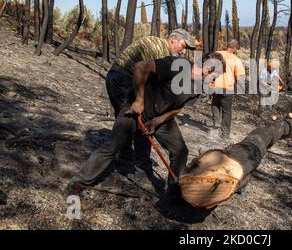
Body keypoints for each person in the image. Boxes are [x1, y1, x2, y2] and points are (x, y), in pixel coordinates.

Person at [66, 52, 226, 201]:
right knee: (112, 146)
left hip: (160, 117)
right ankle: (78, 183)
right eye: (215, 75)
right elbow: (140, 67)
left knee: (180, 151)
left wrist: (157, 122)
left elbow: (178, 108)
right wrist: (139, 100)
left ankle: (173, 195)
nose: (214, 80)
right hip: (134, 110)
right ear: (206, 68)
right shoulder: (177, 64)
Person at [106, 29, 196, 169]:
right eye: (183, 46)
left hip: (117, 77)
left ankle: (131, 157)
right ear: (174, 39)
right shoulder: (159, 49)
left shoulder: (159, 45)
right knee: (135, 119)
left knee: (133, 119)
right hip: (123, 79)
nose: (183, 51)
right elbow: (145, 73)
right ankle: (133, 160)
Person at [209, 40, 245, 138]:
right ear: (234, 48)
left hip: (215, 85)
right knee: (227, 110)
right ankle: (225, 133)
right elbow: (240, 76)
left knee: (215, 104)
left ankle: (216, 123)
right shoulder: (236, 60)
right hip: (228, 87)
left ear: (227, 46)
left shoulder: (217, 54)